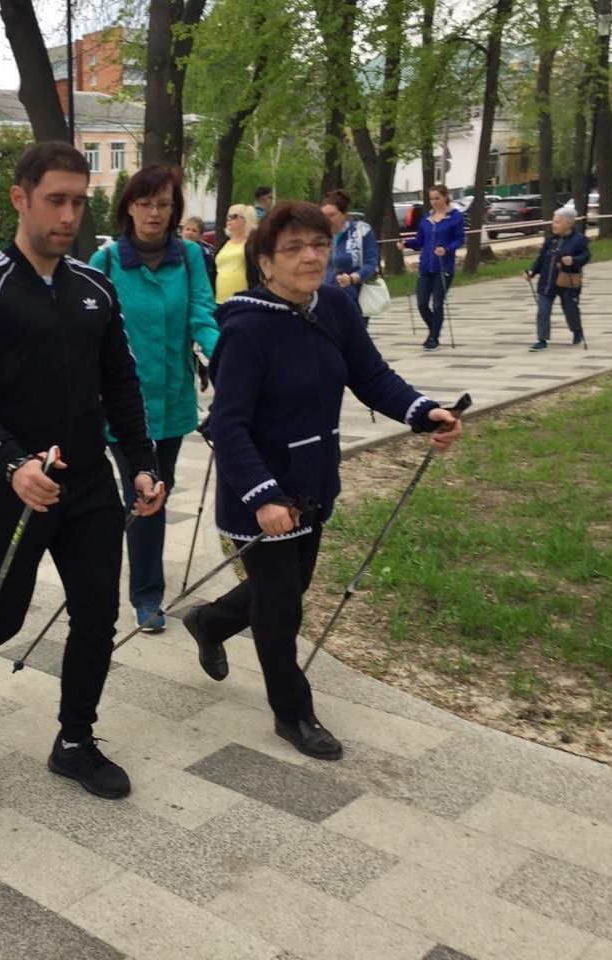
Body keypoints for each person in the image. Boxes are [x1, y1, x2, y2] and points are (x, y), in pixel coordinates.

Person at [182, 201, 464, 761]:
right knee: (281, 607)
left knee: (291, 586)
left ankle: (209, 621)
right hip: (261, 494)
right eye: (293, 248)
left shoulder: (333, 305)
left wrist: (422, 412)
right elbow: (229, 426)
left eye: (318, 244)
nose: (310, 257)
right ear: (266, 262)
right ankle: (292, 712)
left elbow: (371, 375)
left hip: (312, 484)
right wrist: (263, 496)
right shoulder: (245, 330)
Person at [0, 141, 165, 799]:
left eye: (79, 202)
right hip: (10, 487)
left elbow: (121, 381)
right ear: (20, 199)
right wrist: (10, 462)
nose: (68, 216)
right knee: (0, 617)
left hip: (87, 485)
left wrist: (141, 462)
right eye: (55, 201)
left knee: (96, 613)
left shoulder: (95, 287)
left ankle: (74, 741)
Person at [90, 165, 219, 631]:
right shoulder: (105, 261)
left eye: (164, 204)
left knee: (156, 493)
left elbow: (202, 314)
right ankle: (140, 593)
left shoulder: (189, 256)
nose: (154, 213)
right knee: (141, 493)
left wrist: (225, 359)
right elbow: (87, 329)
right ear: (128, 207)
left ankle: (145, 589)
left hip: (172, 402)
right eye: (145, 204)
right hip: (122, 407)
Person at [399, 183, 466, 350]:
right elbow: (420, 240)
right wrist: (406, 243)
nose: (434, 202)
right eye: (431, 199)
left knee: (437, 303)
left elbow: (459, 239)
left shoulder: (455, 217)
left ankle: (433, 337)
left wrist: (447, 249)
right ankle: (434, 330)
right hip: (425, 266)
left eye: (437, 198)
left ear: (445, 197)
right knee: (422, 303)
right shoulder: (426, 219)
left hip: (443, 267)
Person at [525, 207, 591, 351]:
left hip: (567, 283)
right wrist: (531, 271)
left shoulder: (579, 239)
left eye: (557, 222)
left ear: (569, 223)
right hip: (547, 282)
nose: (553, 225)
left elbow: (586, 256)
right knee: (543, 311)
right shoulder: (551, 239)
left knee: (570, 310)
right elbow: (541, 258)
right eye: (553, 221)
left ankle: (577, 330)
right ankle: (542, 339)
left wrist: (573, 260)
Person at [320, 189, 380, 327]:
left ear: (344, 215)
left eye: (332, 215)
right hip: (324, 297)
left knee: (354, 337)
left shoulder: (361, 231)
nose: (327, 220)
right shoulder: (318, 236)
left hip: (353, 297)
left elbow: (371, 263)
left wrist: (353, 278)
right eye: (323, 216)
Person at [215, 203, 257, 304]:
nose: (229, 219)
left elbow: (255, 272)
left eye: (233, 216)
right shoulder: (223, 244)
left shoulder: (251, 244)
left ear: (245, 220)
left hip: (243, 301)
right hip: (219, 300)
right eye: (228, 216)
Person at [181, 215, 218, 290]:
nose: (190, 232)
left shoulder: (205, 254)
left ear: (200, 236)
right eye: (187, 229)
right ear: (182, 232)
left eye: (194, 230)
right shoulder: (174, 250)